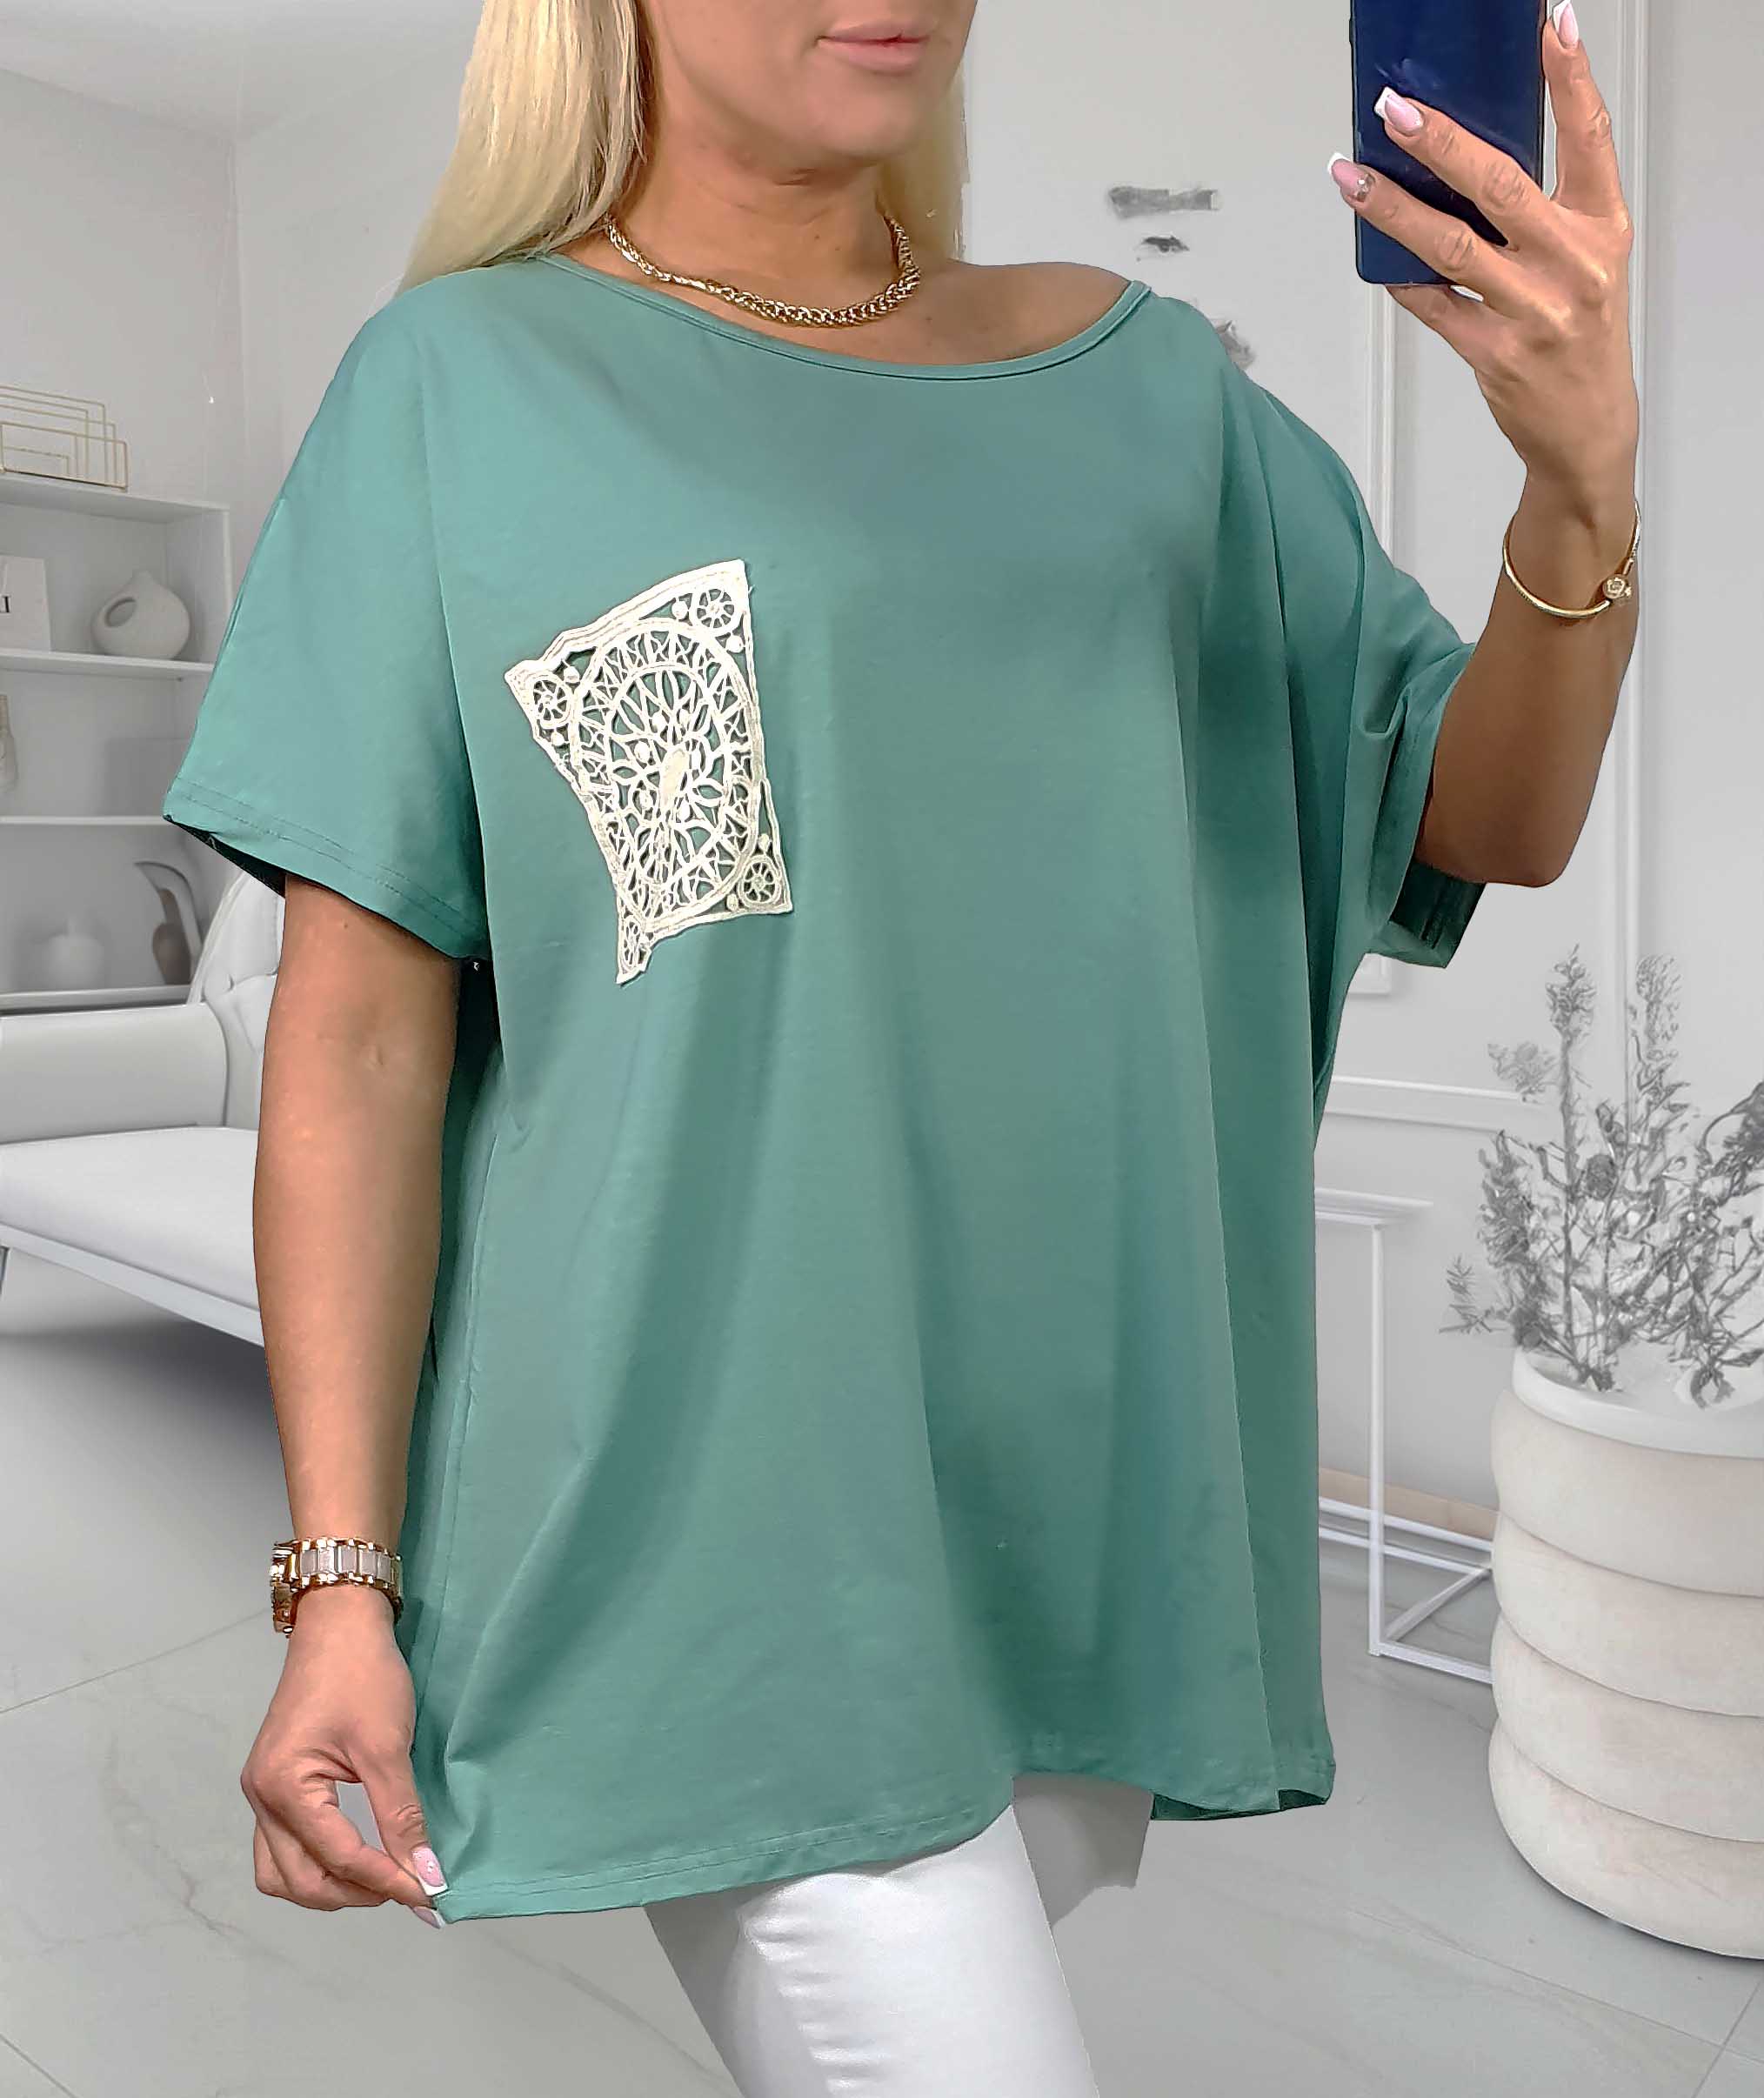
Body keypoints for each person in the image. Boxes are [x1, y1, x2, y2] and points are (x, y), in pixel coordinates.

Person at [159, 0, 1640, 2088]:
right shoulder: (460, 379)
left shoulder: (1151, 394)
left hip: (1082, 1482)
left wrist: (1580, 483)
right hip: (716, 1514)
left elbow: (1491, 815)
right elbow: (360, 1048)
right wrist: (337, 1585)